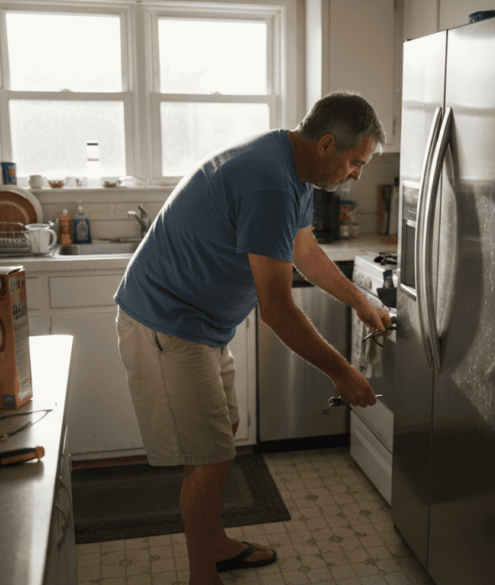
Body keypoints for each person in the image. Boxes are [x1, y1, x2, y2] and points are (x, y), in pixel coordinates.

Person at [113, 91, 393, 585]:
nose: (357, 175)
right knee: (210, 452)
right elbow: (279, 313)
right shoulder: (270, 182)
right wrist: (343, 373)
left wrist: (358, 301)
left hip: (201, 324)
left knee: (221, 440)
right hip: (167, 322)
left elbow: (303, 249)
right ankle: (204, 574)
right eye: (356, 161)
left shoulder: (292, 165)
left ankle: (215, 545)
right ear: (328, 144)